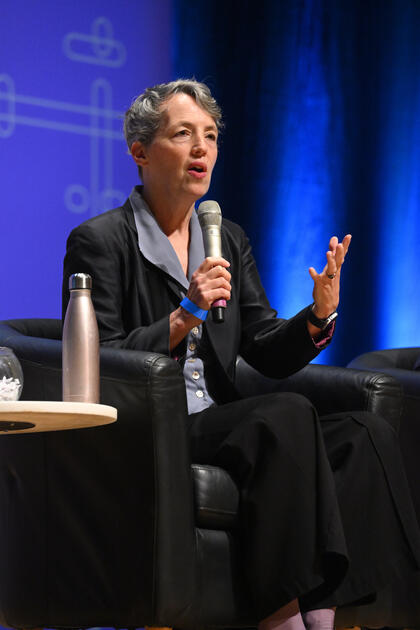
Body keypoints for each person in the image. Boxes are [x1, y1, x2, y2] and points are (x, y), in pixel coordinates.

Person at [62, 79, 420, 630]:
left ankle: (335, 615)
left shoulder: (224, 237)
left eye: (210, 136)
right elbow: (102, 360)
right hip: (153, 426)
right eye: (183, 134)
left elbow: (264, 345)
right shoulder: (100, 240)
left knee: (363, 435)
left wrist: (318, 315)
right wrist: (185, 315)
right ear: (140, 152)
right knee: (283, 414)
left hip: (221, 421)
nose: (202, 148)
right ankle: (277, 617)